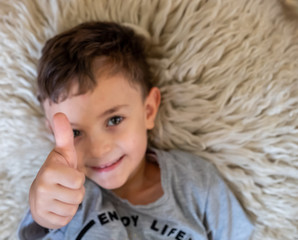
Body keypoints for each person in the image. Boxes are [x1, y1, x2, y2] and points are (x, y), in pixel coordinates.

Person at [18, 21, 253, 240]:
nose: (99, 150)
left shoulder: (196, 182)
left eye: (114, 119)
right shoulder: (65, 197)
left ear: (148, 110)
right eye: (75, 133)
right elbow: (43, 223)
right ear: (53, 133)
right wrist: (43, 214)